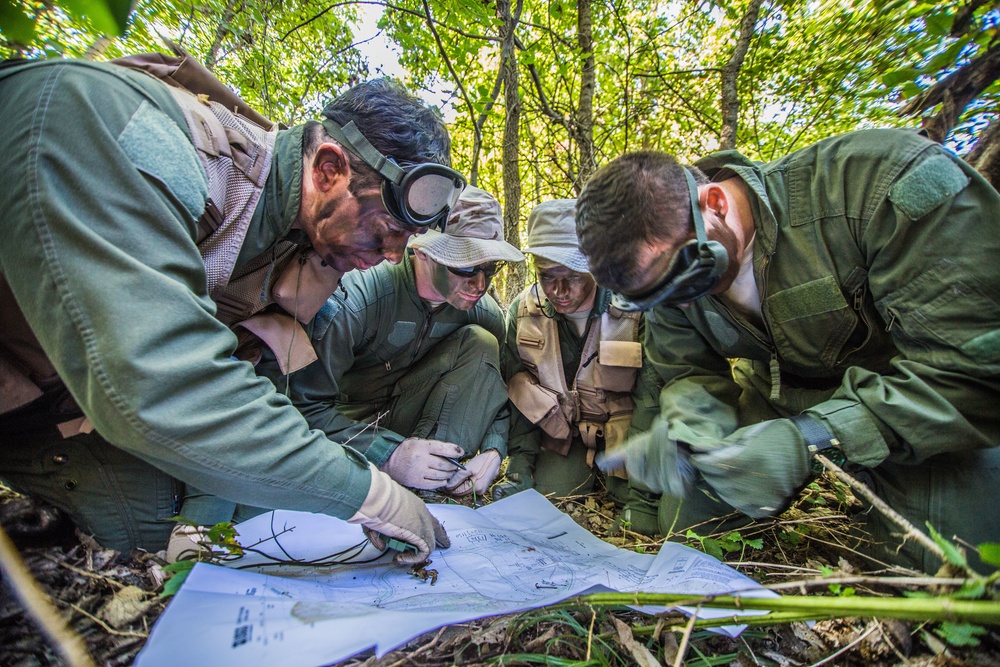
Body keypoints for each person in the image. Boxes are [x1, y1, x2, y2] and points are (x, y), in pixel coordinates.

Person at [0, 55, 467, 565]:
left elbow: (258, 384)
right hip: (42, 398)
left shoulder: (303, 245)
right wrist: (366, 494)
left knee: (190, 510)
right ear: (329, 169)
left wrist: (207, 510)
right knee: (146, 527)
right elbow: (157, 381)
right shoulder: (118, 128)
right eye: (384, 232)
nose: (395, 256)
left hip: (72, 392)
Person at [575, 129, 1000, 572]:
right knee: (689, 531)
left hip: (912, 399)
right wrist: (689, 433)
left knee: (957, 563)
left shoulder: (875, 185)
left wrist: (814, 440)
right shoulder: (669, 278)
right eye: (657, 297)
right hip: (775, 393)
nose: (681, 303)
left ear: (715, 204)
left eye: (684, 278)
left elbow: (974, 368)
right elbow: (689, 373)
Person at [251, 187, 524, 502]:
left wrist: (493, 449)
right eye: (464, 266)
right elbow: (299, 407)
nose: (480, 284)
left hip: (414, 418)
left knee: (482, 343)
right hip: (347, 429)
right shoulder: (357, 298)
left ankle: (437, 485)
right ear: (421, 250)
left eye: (490, 268)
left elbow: (494, 389)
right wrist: (388, 454)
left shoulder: (483, 313)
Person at [495, 199, 662, 534]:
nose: (560, 290)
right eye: (547, 276)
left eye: (572, 275)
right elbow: (521, 395)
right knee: (552, 494)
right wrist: (520, 467)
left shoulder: (635, 307)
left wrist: (642, 500)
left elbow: (651, 402)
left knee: (645, 511)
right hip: (564, 438)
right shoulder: (524, 313)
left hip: (628, 440)